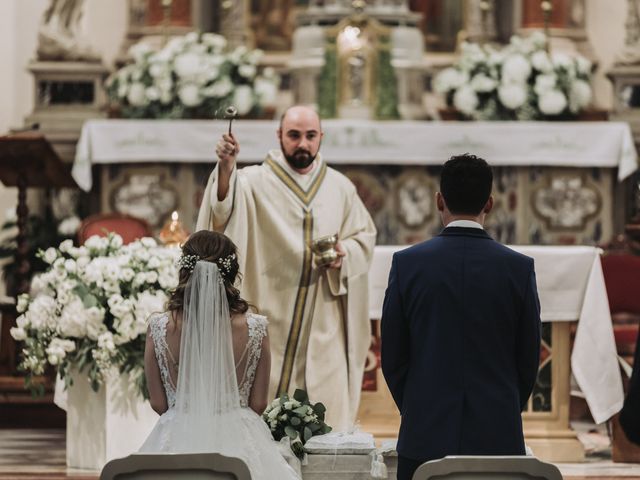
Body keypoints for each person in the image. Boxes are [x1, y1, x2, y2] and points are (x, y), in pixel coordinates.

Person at [196, 105, 376, 431]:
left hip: (323, 322)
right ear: (279, 136)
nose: (302, 144)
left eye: (310, 136)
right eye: (294, 135)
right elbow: (220, 212)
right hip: (270, 314)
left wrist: (343, 252)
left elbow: (364, 237)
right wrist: (226, 168)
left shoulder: (340, 187)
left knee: (325, 422)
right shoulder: (252, 182)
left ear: (321, 137)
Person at [380, 154, 541, 480]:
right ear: (490, 203)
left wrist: (417, 407)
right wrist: (504, 407)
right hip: (498, 433)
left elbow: (393, 356)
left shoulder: (407, 264)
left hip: (424, 432)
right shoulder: (518, 268)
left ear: (439, 200)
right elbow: (528, 359)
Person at [140, 230, 299, 479]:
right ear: (231, 272)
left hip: (177, 432)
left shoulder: (159, 327)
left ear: (185, 269)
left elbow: (159, 403)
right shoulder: (255, 327)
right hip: (239, 436)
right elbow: (258, 403)